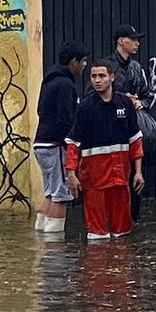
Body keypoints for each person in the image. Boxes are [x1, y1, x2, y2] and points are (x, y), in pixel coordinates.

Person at [65, 58, 145, 240]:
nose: (97, 80)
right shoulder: (85, 108)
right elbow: (73, 143)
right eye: (93, 76)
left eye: (102, 76)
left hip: (120, 179)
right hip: (94, 181)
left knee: (122, 232)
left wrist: (138, 172)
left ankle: (121, 266)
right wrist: (71, 174)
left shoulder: (125, 104)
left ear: (112, 77)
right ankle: (97, 267)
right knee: (97, 234)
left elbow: (135, 140)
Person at [107, 24, 156, 222]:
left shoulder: (136, 68)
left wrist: (140, 102)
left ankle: (133, 219)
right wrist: (122, 98)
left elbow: (149, 94)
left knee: (135, 172)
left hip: (134, 128)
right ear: (121, 41)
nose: (137, 43)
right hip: (112, 129)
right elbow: (95, 94)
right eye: (133, 39)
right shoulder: (106, 67)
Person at [33, 41, 89, 233]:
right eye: (83, 61)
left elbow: (40, 110)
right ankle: (55, 248)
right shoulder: (65, 84)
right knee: (61, 194)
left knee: (50, 192)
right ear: (74, 62)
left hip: (41, 144)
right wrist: (73, 141)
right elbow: (66, 119)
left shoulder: (49, 80)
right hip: (55, 144)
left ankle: (41, 238)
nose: (85, 65)